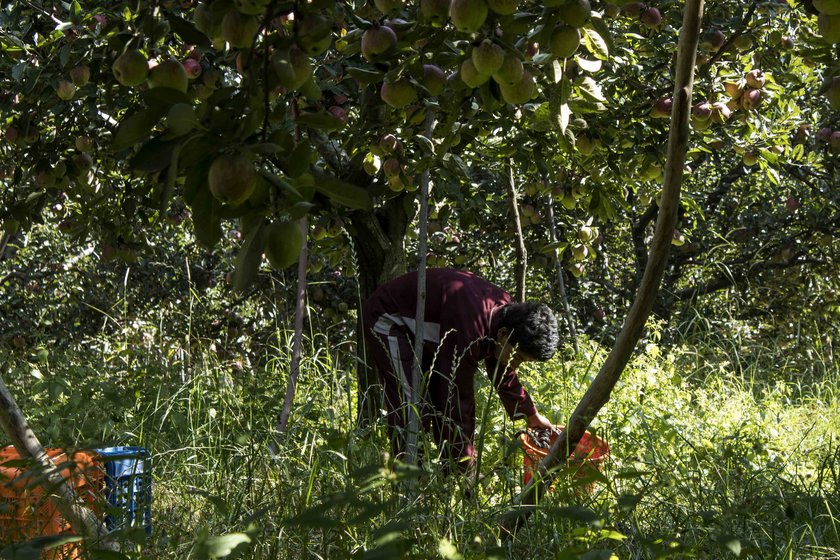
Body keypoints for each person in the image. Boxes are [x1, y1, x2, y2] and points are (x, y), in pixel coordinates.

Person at [361, 268, 558, 473]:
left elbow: (502, 369)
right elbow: (454, 397)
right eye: (517, 357)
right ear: (502, 334)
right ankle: (406, 479)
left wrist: (531, 414)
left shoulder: (505, 313)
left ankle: (444, 473)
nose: (515, 364)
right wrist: (465, 465)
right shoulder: (470, 329)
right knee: (412, 405)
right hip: (389, 319)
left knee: (430, 403)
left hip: (428, 332)